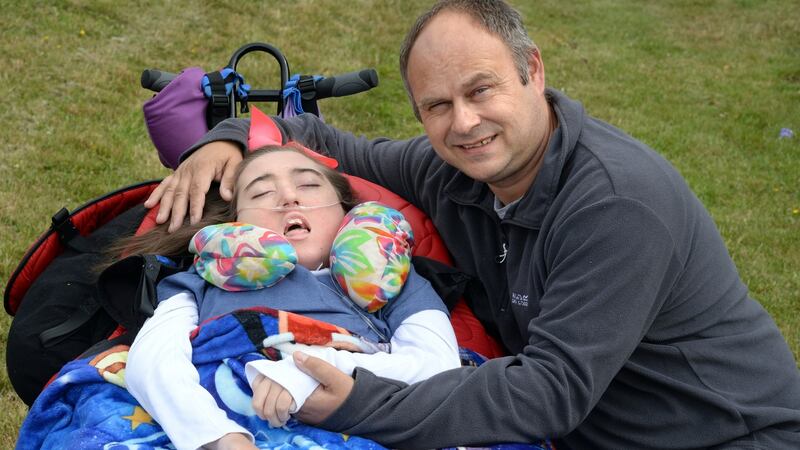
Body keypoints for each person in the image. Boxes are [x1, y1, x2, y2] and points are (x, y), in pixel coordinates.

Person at [145, 1, 800, 448]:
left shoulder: (616, 203)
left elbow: (550, 390)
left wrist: (352, 401)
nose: (462, 123)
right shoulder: (449, 168)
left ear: (533, 71)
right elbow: (313, 133)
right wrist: (228, 141)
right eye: (436, 105)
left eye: (480, 90)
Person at [125, 145, 461, 449]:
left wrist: (316, 369)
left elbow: (440, 367)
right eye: (261, 193)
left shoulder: (392, 280)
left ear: (347, 211)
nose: (289, 198)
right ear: (236, 224)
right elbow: (152, 360)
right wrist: (216, 437)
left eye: (309, 185)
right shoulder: (203, 280)